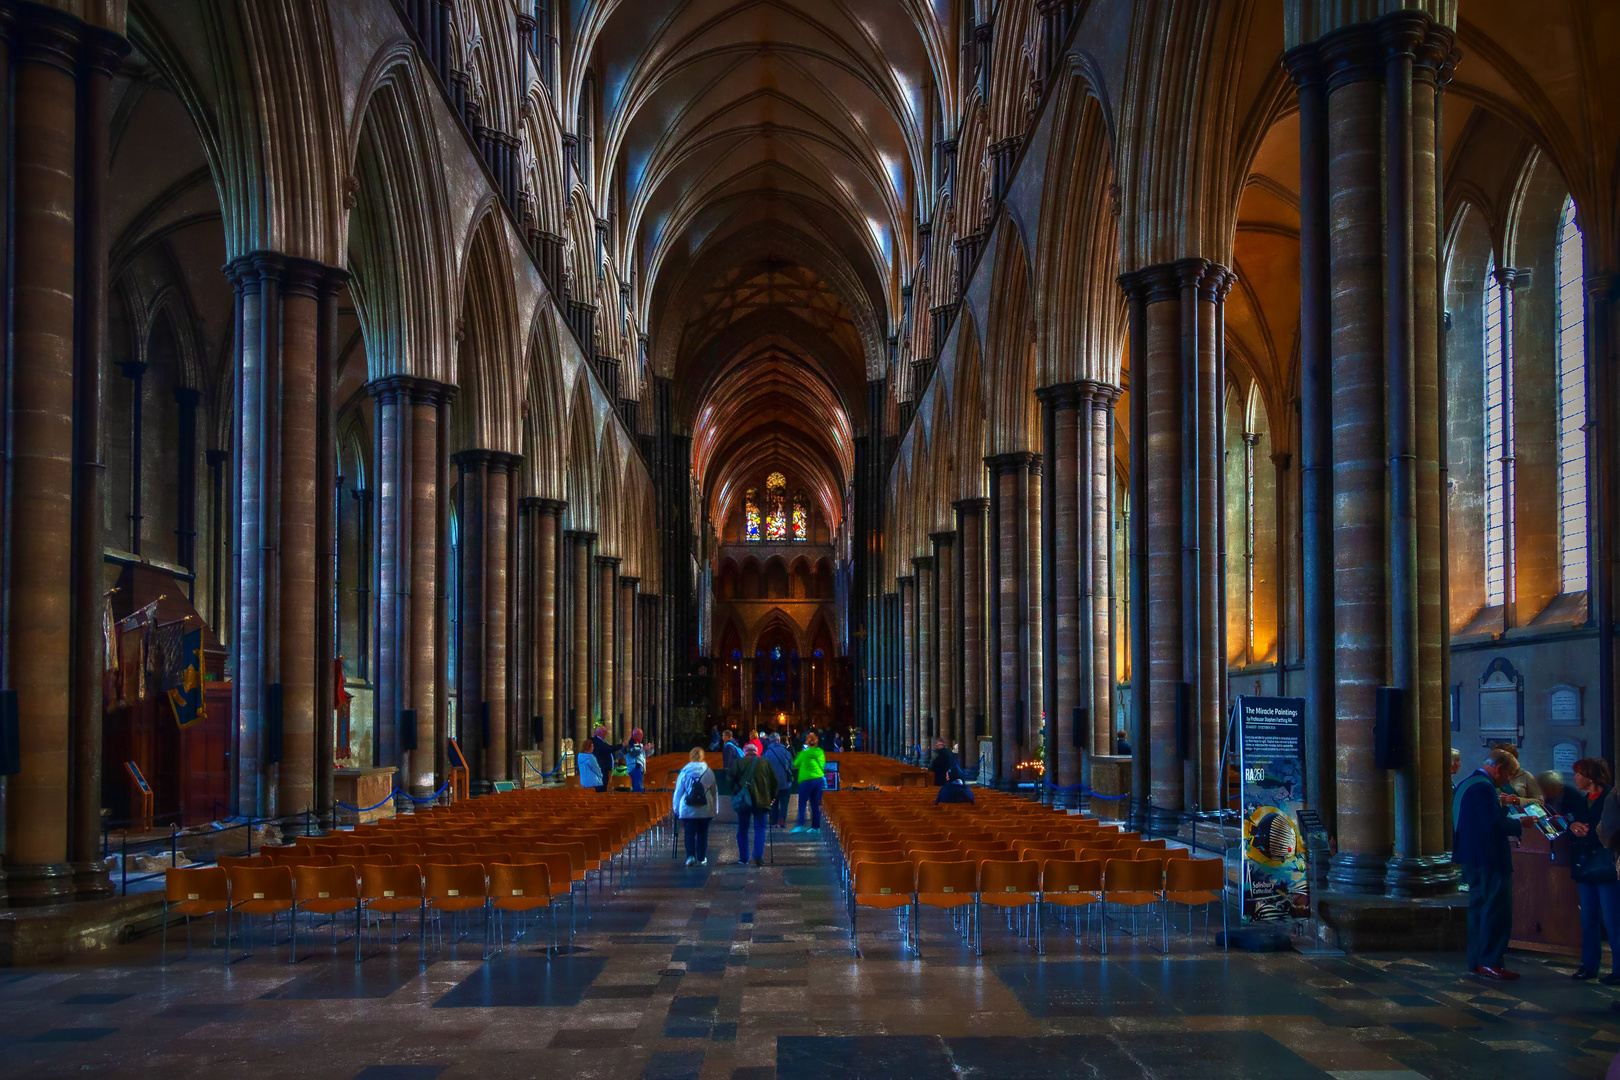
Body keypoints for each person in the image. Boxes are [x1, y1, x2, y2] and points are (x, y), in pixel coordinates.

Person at [1453, 748, 1522, 980]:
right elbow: (1492, 826)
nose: (1509, 779)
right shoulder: (1484, 787)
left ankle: (1477, 960)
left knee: (1479, 909)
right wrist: (1521, 824)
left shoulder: (1468, 782)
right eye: (1510, 774)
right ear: (1499, 769)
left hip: (1472, 858)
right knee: (1496, 910)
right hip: (1489, 859)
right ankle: (1490, 961)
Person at [1567, 758, 1620, 983]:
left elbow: (1612, 831)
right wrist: (1572, 826)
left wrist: (1593, 834)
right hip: (1584, 865)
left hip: (1606, 866)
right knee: (1587, 918)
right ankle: (1589, 965)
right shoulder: (1580, 800)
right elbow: (1570, 821)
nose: (1575, 778)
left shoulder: (1611, 798)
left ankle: (1618, 970)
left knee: (1612, 920)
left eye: (1579, 773)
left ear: (1590, 776)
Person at [727, 743, 778, 867]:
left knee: (743, 828)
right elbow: (774, 782)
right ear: (756, 752)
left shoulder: (739, 762)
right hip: (762, 800)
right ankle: (758, 855)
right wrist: (772, 797)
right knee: (760, 828)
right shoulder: (765, 763)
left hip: (744, 800)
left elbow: (729, 779)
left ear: (745, 752)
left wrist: (737, 790)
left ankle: (743, 858)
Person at [673, 746, 717, 866]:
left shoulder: (684, 771)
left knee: (689, 833)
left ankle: (690, 856)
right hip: (705, 808)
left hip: (688, 808)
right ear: (702, 756)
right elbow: (714, 791)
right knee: (703, 833)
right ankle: (701, 857)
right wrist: (716, 808)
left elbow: (678, 792)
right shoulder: (708, 771)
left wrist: (676, 809)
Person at [792, 733, 827, 833]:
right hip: (818, 779)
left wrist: (801, 754)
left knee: (802, 803)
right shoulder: (820, 752)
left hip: (806, 780)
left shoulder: (804, 753)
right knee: (815, 804)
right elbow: (822, 764)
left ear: (807, 742)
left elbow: (795, 764)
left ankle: (801, 825)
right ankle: (816, 827)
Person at [763, 732, 796, 828]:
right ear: (778, 740)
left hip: (772, 783)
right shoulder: (785, 751)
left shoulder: (767, 753)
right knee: (784, 803)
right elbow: (790, 764)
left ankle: (774, 822)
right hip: (785, 782)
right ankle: (782, 819)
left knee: (773, 803)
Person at [590, 725, 621, 793]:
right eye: (605, 732)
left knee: (604, 787)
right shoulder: (598, 742)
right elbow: (608, 749)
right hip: (602, 769)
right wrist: (621, 745)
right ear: (600, 733)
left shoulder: (600, 741)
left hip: (603, 769)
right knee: (601, 789)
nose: (606, 734)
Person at [625, 728, 647, 793]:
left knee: (639, 787)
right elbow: (634, 754)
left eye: (642, 734)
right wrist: (643, 749)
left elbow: (642, 756)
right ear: (634, 735)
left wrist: (650, 750)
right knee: (637, 790)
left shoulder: (640, 745)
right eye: (640, 734)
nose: (642, 736)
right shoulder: (630, 745)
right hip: (635, 768)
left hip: (640, 768)